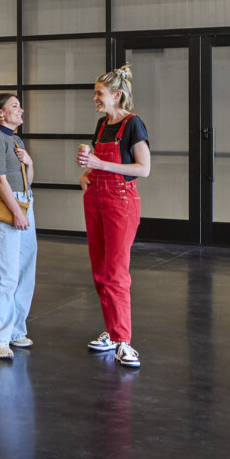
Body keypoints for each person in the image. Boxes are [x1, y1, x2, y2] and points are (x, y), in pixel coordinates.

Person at [76, 65, 151, 368]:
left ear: (117, 95)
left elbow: (143, 169)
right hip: (96, 198)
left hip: (121, 202)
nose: (95, 97)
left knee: (117, 273)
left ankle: (124, 342)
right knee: (100, 272)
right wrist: (87, 173)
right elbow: (98, 163)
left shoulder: (134, 124)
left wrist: (99, 165)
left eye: (99, 93)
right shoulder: (102, 123)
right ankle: (112, 331)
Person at [0, 92, 36, 360]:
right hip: (9, 207)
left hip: (25, 204)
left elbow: (27, 179)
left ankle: (15, 330)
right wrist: (16, 212)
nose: (21, 110)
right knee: (4, 273)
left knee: (25, 271)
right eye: (14, 106)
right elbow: (0, 179)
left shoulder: (15, 139)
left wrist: (29, 162)